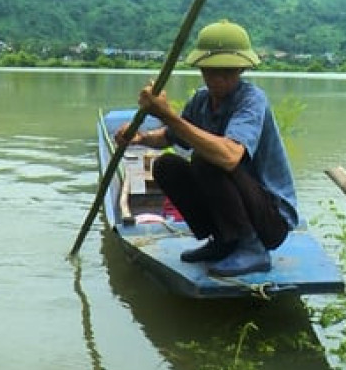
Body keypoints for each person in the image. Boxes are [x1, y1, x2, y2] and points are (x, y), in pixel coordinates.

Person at [115, 19, 298, 277]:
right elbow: (170, 137)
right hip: (238, 208)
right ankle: (222, 241)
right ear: (202, 69)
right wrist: (138, 138)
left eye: (229, 71)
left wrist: (168, 115)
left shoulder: (251, 100)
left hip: (270, 220)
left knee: (207, 159)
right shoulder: (202, 100)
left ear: (242, 70)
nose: (220, 79)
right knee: (166, 165)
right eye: (213, 70)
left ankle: (251, 247)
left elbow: (230, 156)